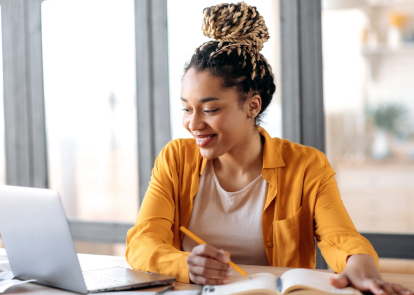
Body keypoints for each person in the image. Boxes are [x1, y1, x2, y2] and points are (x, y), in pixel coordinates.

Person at [126, 2, 413, 295]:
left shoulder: (307, 166)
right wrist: (184, 264)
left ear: (252, 105)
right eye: (187, 109)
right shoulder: (175, 159)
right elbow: (142, 242)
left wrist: (359, 260)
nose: (193, 124)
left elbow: (340, 237)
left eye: (210, 109)